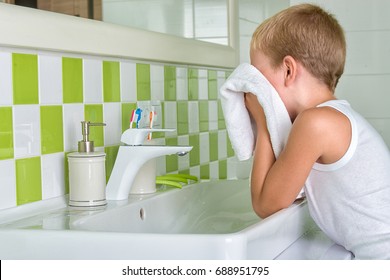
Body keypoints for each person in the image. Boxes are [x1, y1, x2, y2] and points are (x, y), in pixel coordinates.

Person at [244, 3, 390, 259]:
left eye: (259, 80)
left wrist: (263, 120)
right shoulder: (331, 117)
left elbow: (267, 205)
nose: (254, 90)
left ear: (288, 70)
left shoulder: (316, 123)